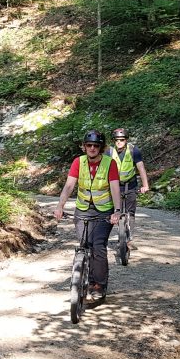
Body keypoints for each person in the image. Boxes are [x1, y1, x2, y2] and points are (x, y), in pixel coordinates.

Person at [53, 130, 123, 301]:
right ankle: (85, 278)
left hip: (104, 211)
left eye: (96, 146)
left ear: (101, 148)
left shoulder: (110, 163)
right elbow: (69, 186)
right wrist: (60, 206)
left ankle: (99, 284)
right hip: (83, 210)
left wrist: (117, 210)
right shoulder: (78, 162)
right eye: (89, 145)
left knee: (98, 246)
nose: (92, 148)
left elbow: (114, 188)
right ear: (84, 146)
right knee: (85, 244)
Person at [107, 128, 149, 245]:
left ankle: (129, 239)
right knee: (117, 211)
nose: (119, 142)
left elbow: (141, 168)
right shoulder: (109, 152)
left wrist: (145, 185)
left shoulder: (133, 150)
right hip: (116, 186)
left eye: (122, 140)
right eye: (116, 140)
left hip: (130, 185)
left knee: (130, 212)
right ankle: (120, 233)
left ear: (126, 140)